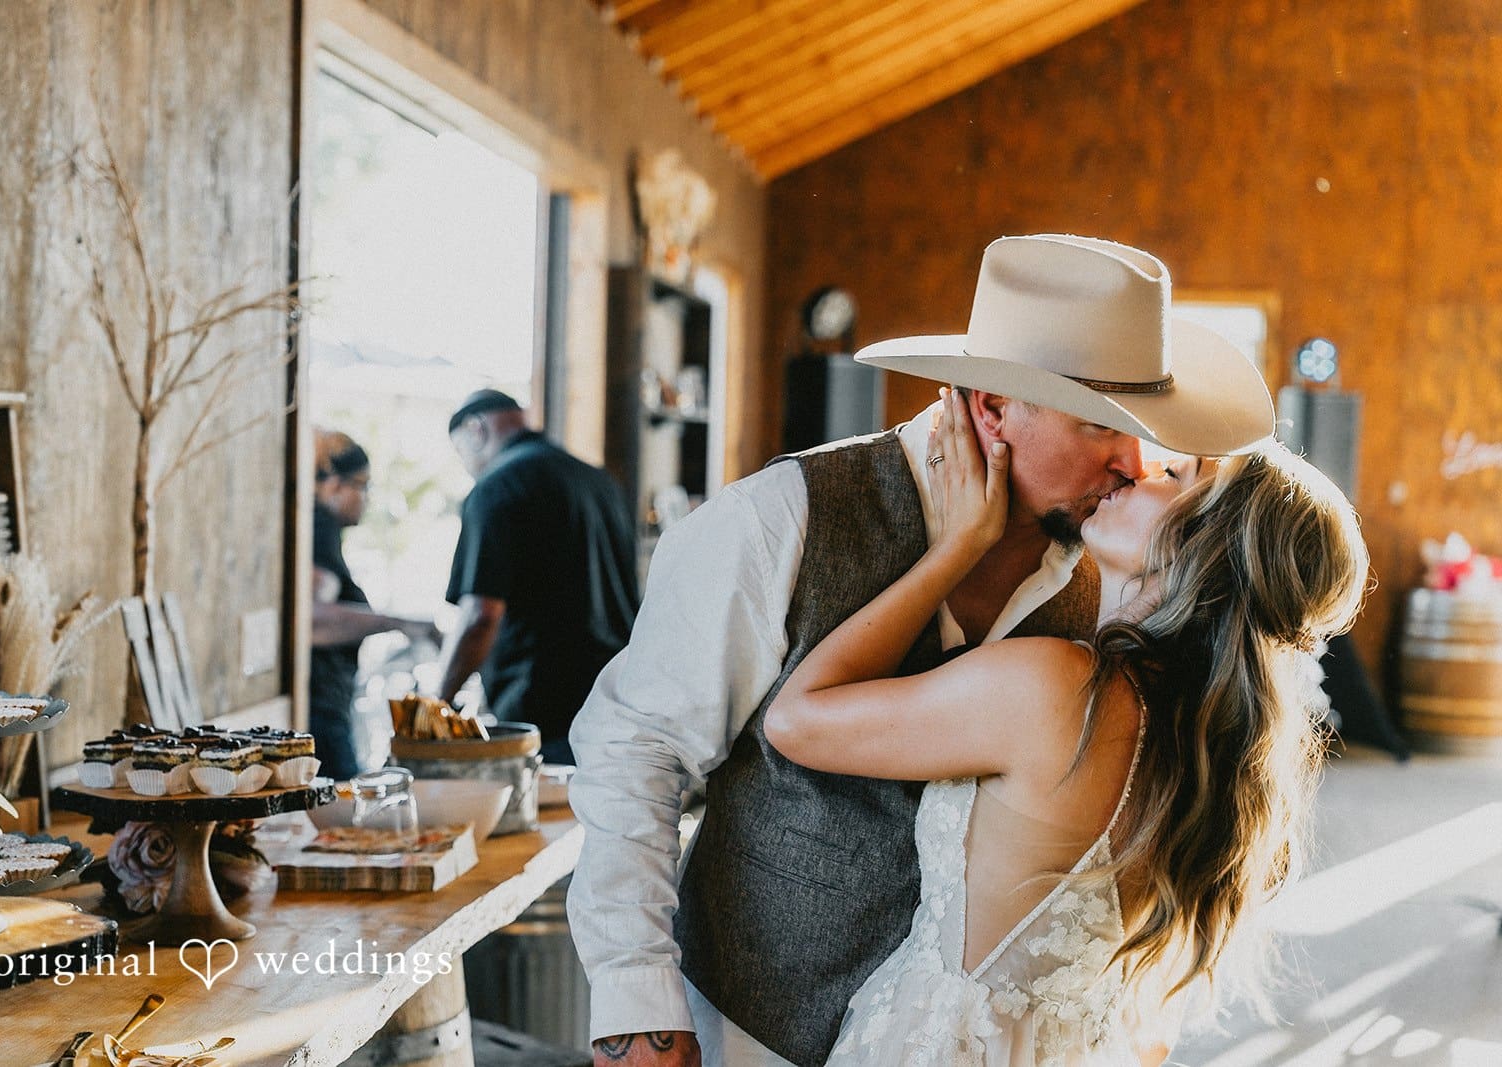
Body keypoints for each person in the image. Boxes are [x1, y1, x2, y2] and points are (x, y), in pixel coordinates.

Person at [567, 234, 1277, 1067]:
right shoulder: (782, 518)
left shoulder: (1111, 578)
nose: (1132, 463)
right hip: (738, 1033)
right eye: (1101, 427)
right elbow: (635, 751)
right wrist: (636, 1008)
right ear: (994, 409)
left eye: (1140, 432)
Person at [766, 391, 1368, 1064]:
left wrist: (962, 545)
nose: (1135, 468)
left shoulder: (1055, 688)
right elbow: (1151, 1024)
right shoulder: (1208, 749)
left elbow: (796, 719)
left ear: (1205, 550)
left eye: (1172, 475)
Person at [434, 390, 639, 765]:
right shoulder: (600, 483)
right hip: (617, 702)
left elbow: (480, 616)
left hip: (545, 715)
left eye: (460, 453)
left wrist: (436, 707)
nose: (468, 467)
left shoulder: (496, 487)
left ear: (475, 429)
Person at [311, 429, 440, 779]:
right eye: (362, 485)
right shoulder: (317, 528)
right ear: (333, 485)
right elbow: (311, 621)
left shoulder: (325, 535)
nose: (366, 498)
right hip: (319, 715)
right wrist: (401, 623)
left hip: (330, 708)